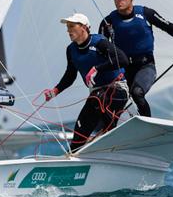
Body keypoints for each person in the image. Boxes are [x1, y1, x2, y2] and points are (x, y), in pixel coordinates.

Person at [99, 0, 173, 117]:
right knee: (110, 101)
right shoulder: (108, 22)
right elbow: (100, 49)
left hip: (145, 66)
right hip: (123, 69)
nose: (118, 0)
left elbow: (168, 26)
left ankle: (147, 126)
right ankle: (103, 133)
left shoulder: (146, 13)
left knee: (137, 93)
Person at [43, 13, 129, 152]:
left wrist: (97, 68)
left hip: (117, 89)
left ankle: (111, 142)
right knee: (80, 131)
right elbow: (70, 75)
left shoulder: (99, 42)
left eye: (71, 26)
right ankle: (76, 155)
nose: (68, 31)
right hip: (97, 94)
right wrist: (56, 90)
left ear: (83, 27)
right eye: (67, 27)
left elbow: (123, 60)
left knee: (97, 100)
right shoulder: (71, 50)